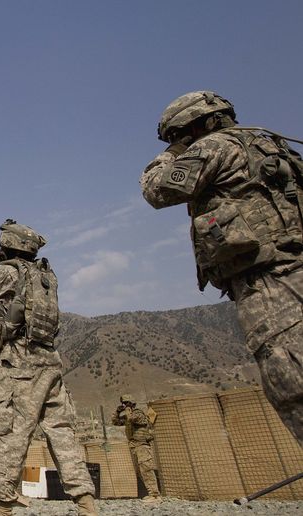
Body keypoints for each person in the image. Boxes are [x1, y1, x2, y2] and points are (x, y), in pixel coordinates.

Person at [140, 91, 303, 444]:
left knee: (289, 378)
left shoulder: (213, 146)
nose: (179, 143)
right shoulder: (272, 148)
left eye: (179, 135)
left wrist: (170, 154)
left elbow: (157, 190)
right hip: (293, 265)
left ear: (202, 123)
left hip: (271, 280)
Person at [0, 219, 97, 516]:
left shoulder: (7, 274)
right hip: (50, 362)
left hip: (18, 364)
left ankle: (2, 508)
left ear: (8, 246)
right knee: (63, 432)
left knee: (8, 433)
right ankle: (86, 502)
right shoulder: (46, 276)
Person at [112, 394, 160, 501]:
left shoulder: (138, 414)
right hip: (133, 446)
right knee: (139, 471)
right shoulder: (129, 415)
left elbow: (131, 419)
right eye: (123, 403)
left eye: (126, 403)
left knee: (146, 469)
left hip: (142, 445)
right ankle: (151, 493)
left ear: (132, 404)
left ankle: (155, 495)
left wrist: (128, 410)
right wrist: (118, 412)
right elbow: (115, 422)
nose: (124, 405)